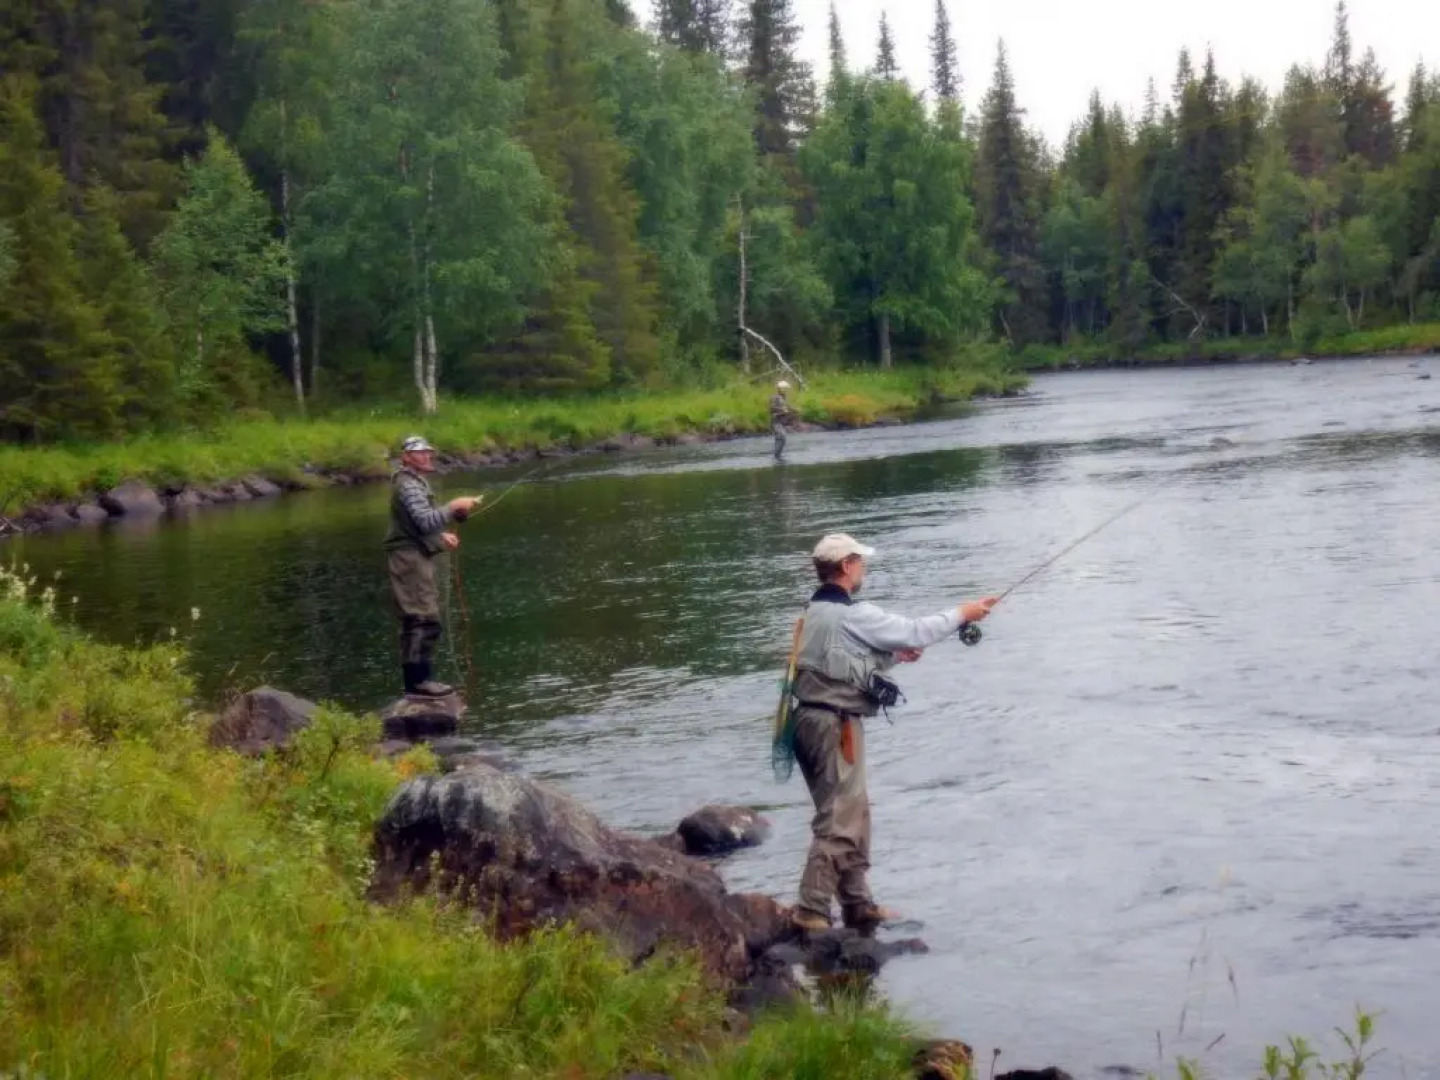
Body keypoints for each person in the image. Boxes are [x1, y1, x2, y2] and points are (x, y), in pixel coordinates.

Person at [786, 533, 998, 934]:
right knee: (840, 818)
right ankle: (811, 910)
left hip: (809, 722)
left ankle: (857, 903)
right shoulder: (853, 613)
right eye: (860, 562)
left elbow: (843, 661)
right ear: (847, 565)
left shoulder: (815, 610)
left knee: (852, 812)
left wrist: (894, 657)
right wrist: (963, 613)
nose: (863, 569)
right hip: (835, 725)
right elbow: (916, 630)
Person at [384, 435, 483, 698]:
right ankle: (419, 683)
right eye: (420, 453)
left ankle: (417, 682)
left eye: (429, 452)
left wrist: (441, 537)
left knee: (419, 620)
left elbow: (419, 525)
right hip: (409, 560)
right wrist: (454, 506)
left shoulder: (413, 483)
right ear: (406, 457)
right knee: (422, 620)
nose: (427, 456)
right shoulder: (408, 486)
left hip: (413, 556)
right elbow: (426, 521)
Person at [770, 380, 797, 461]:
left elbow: (787, 407)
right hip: (776, 421)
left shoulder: (783, 397)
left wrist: (794, 409)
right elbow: (771, 407)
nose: (786, 391)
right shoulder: (775, 397)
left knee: (780, 438)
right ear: (780, 389)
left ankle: (777, 456)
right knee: (782, 437)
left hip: (781, 422)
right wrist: (781, 409)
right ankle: (776, 456)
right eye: (785, 389)